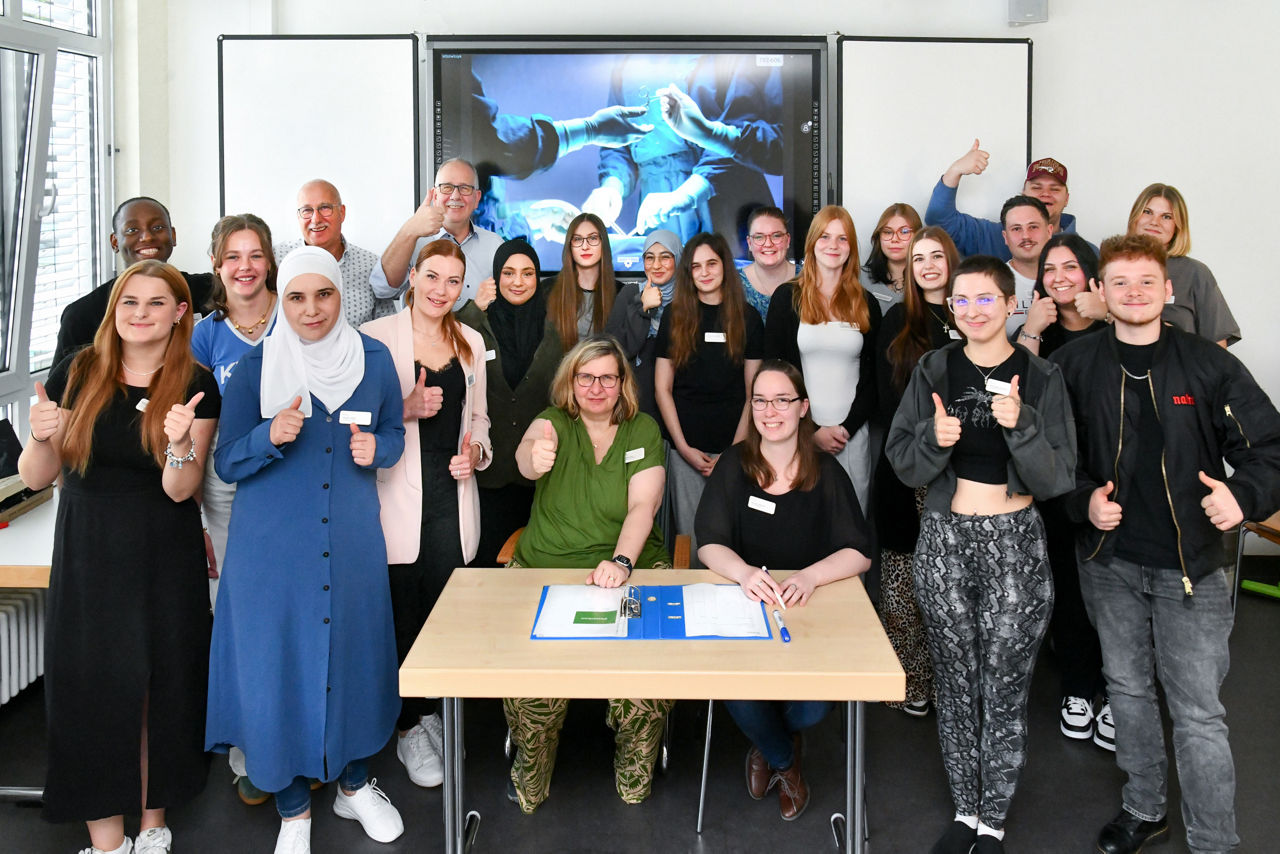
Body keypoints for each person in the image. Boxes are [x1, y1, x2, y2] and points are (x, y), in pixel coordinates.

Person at [1051, 234, 1280, 854]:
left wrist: (1244, 498)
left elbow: (1269, 450)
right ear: (1100, 292)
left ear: (1169, 290)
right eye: (1119, 282)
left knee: (1199, 712)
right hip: (1110, 563)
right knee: (1125, 691)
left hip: (1195, 567)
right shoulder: (1074, 367)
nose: (1133, 293)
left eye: (1146, 282)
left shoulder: (1211, 365)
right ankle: (1144, 808)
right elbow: (1051, 460)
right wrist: (1082, 501)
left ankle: (1214, 840)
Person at [206, 247, 407, 854]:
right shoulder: (252, 371)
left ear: (340, 298)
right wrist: (268, 435)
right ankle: (294, 809)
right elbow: (226, 461)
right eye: (296, 297)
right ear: (279, 298)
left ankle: (353, 786)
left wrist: (382, 449)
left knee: (352, 660)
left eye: (323, 295)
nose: (311, 309)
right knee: (279, 672)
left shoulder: (373, 361)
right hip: (271, 555)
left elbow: (394, 432)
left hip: (349, 545)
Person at [19, 260, 220, 854]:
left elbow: (180, 490)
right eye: (129, 301)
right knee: (89, 690)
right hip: (87, 549)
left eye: (156, 303)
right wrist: (39, 434)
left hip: (163, 550)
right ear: (114, 309)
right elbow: (37, 476)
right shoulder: (77, 372)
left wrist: (179, 443)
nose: (140, 313)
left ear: (180, 312)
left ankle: (153, 824)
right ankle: (106, 838)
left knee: (159, 686)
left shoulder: (197, 382)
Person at [886, 255, 1076, 854]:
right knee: (955, 679)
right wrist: (933, 439)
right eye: (961, 301)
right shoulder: (934, 368)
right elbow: (902, 458)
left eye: (985, 299)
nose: (972, 311)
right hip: (944, 540)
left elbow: (1058, 477)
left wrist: (1021, 426)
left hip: (1014, 543)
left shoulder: (1042, 376)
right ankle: (965, 810)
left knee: (1004, 683)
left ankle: (993, 819)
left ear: (1010, 304)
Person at [695, 360, 871, 821]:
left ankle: (766, 744)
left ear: (802, 407)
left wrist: (812, 576)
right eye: (760, 401)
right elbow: (708, 542)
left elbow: (860, 551)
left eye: (782, 400)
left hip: (807, 612)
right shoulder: (734, 464)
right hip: (746, 605)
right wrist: (744, 573)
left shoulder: (827, 471)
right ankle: (784, 760)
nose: (770, 411)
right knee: (737, 688)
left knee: (816, 705)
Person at [506, 336, 670, 814]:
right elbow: (528, 449)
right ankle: (531, 773)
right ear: (570, 382)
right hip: (545, 569)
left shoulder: (642, 430)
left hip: (629, 566)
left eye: (607, 377)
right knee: (530, 688)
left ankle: (635, 772)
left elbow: (645, 504)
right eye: (586, 377)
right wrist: (532, 456)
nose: (596, 387)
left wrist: (620, 563)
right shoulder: (553, 422)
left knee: (643, 684)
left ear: (622, 384)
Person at [362, 239, 492, 789]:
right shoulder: (374, 339)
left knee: (445, 607)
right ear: (411, 277)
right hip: (394, 496)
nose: (441, 290)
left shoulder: (470, 341)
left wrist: (477, 454)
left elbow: (479, 420)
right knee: (401, 611)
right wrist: (406, 411)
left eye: (452, 282)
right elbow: (353, 421)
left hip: (451, 493)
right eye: (432, 277)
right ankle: (409, 728)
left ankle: (433, 713)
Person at [1013, 233, 1110, 746]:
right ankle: (1077, 688)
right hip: (1055, 477)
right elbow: (1016, 393)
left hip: (1112, 475)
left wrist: (1112, 311)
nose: (1059, 278)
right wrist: (1030, 331)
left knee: (1115, 586)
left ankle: (1116, 691)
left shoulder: (1118, 325)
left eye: (1070, 268)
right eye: (1050, 270)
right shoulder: (1042, 334)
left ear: (1091, 274)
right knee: (1068, 584)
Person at [872, 225, 961, 718]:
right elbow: (890, 401)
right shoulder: (896, 322)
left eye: (936, 255)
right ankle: (911, 679)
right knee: (904, 577)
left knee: (952, 583)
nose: (927, 265)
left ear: (951, 260)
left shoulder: (970, 314)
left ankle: (953, 685)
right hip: (907, 466)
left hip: (961, 473)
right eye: (918, 257)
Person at [654, 232, 764, 566]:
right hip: (687, 451)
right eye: (696, 266)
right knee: (691, 536)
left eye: (711, 263)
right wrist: (683, 448)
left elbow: (753, 395)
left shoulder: (748, 318)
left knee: (734, 538)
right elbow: (662, 389)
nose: (704, 272)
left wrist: (734, 451)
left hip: (737, 449)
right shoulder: (675, 316)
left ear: (725, 267)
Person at [764, 205, 880, 511]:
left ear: (851, 248)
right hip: (798, 434)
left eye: (842, 239)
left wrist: (845, 430)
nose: (833, 245)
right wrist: (812, 432)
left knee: (852, 524)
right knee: (801, 526)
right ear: (812, 242)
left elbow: (873, 378)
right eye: (825, 237)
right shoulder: (786, 299)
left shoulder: (866, 304)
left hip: (851, 437)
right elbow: (776, 373)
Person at [457, 239, 563, 566]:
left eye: (527, 273)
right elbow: (450, 339)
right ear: (495, 277)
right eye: (508, 273)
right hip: (491, 469)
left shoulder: (555, 328)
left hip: (541, 472)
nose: (518, 281)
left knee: (537, 564)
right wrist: (475, 307)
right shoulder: (479, 322)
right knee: (488, 560)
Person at [191, 214, 278, 599]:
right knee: (234, 584)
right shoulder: (204, 334)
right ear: (216, 262)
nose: (245, 267)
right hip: (225, 475)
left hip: (287, 464)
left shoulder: (296, 316)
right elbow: (196, 425)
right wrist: (198, 522)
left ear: (270, 262)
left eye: (255, 255)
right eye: (233, 257)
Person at [53, 197, 215, 367]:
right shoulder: (82, 315)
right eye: (132, 230)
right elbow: (64, 388)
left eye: (158, 227)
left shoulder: (208, 290)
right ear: (115, 242)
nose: (146, 237)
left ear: (172, 235)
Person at [371, 158, 503, 309]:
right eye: (447, 187)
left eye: (465, 188)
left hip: (478, 333)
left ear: (477, 198)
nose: (455, 196)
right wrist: (409, 231)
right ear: (434, 196)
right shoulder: (413, 239)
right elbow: (381, 290)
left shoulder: (495, 245)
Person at [1126, 182, 1240, 346]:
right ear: (1134, 217)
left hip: (1181, 368)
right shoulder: (1111, 267)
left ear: (1177, 226)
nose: (1154, 222)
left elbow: (1218, 348)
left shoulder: (1195, 273)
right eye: (1147, 212)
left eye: (1166, 216)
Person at [924, 143, 1083, 259]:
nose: (1045, 194)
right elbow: (939, 220)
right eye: (1036, 187)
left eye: (1055, 189)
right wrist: (955, 171)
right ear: (1023, 194)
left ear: (1067, 199)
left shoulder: (1085, 252)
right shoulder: (992, 237)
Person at [274, 179, 396, 325]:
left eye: (325, 208)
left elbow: (386, 329)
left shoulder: (372, 266)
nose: (316, 219)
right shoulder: (277, 260)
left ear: (342, 212)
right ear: (298, 216)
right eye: (307, 210)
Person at [605, 229, 682, 420]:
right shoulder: (629, 293)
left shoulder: (689, 300)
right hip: (635, 406)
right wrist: (643, 307)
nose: (656, 265)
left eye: (665, 257)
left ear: (678, 259)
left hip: (680, 407)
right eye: (649, 258)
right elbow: (617, 351)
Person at [545, 212, 617, 353]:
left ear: (604, 244)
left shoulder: (620, 293)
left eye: (593, 238)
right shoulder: (547, 290)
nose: (585, 246)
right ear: (569, 246)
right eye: (577, 239)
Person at [999, 195, 1054, 335]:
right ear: (1005, 237)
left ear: (1049, 231)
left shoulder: (1070, 278)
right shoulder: (993, 283)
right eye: (1016, 229)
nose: (1026, 236)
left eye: (1033, 227)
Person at [738, 205, 797, 322]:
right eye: (759, 237)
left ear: (787, 240)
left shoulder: (808, 279)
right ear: (749, 243)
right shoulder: (733, 282)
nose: (768, 244)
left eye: (776, 236)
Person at [863, 203, 923, 308]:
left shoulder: (928, 278)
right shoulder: (859, 278)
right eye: (888, 232)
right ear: (879, 237)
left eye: (904, 232)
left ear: (918, 236)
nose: (895, 239)